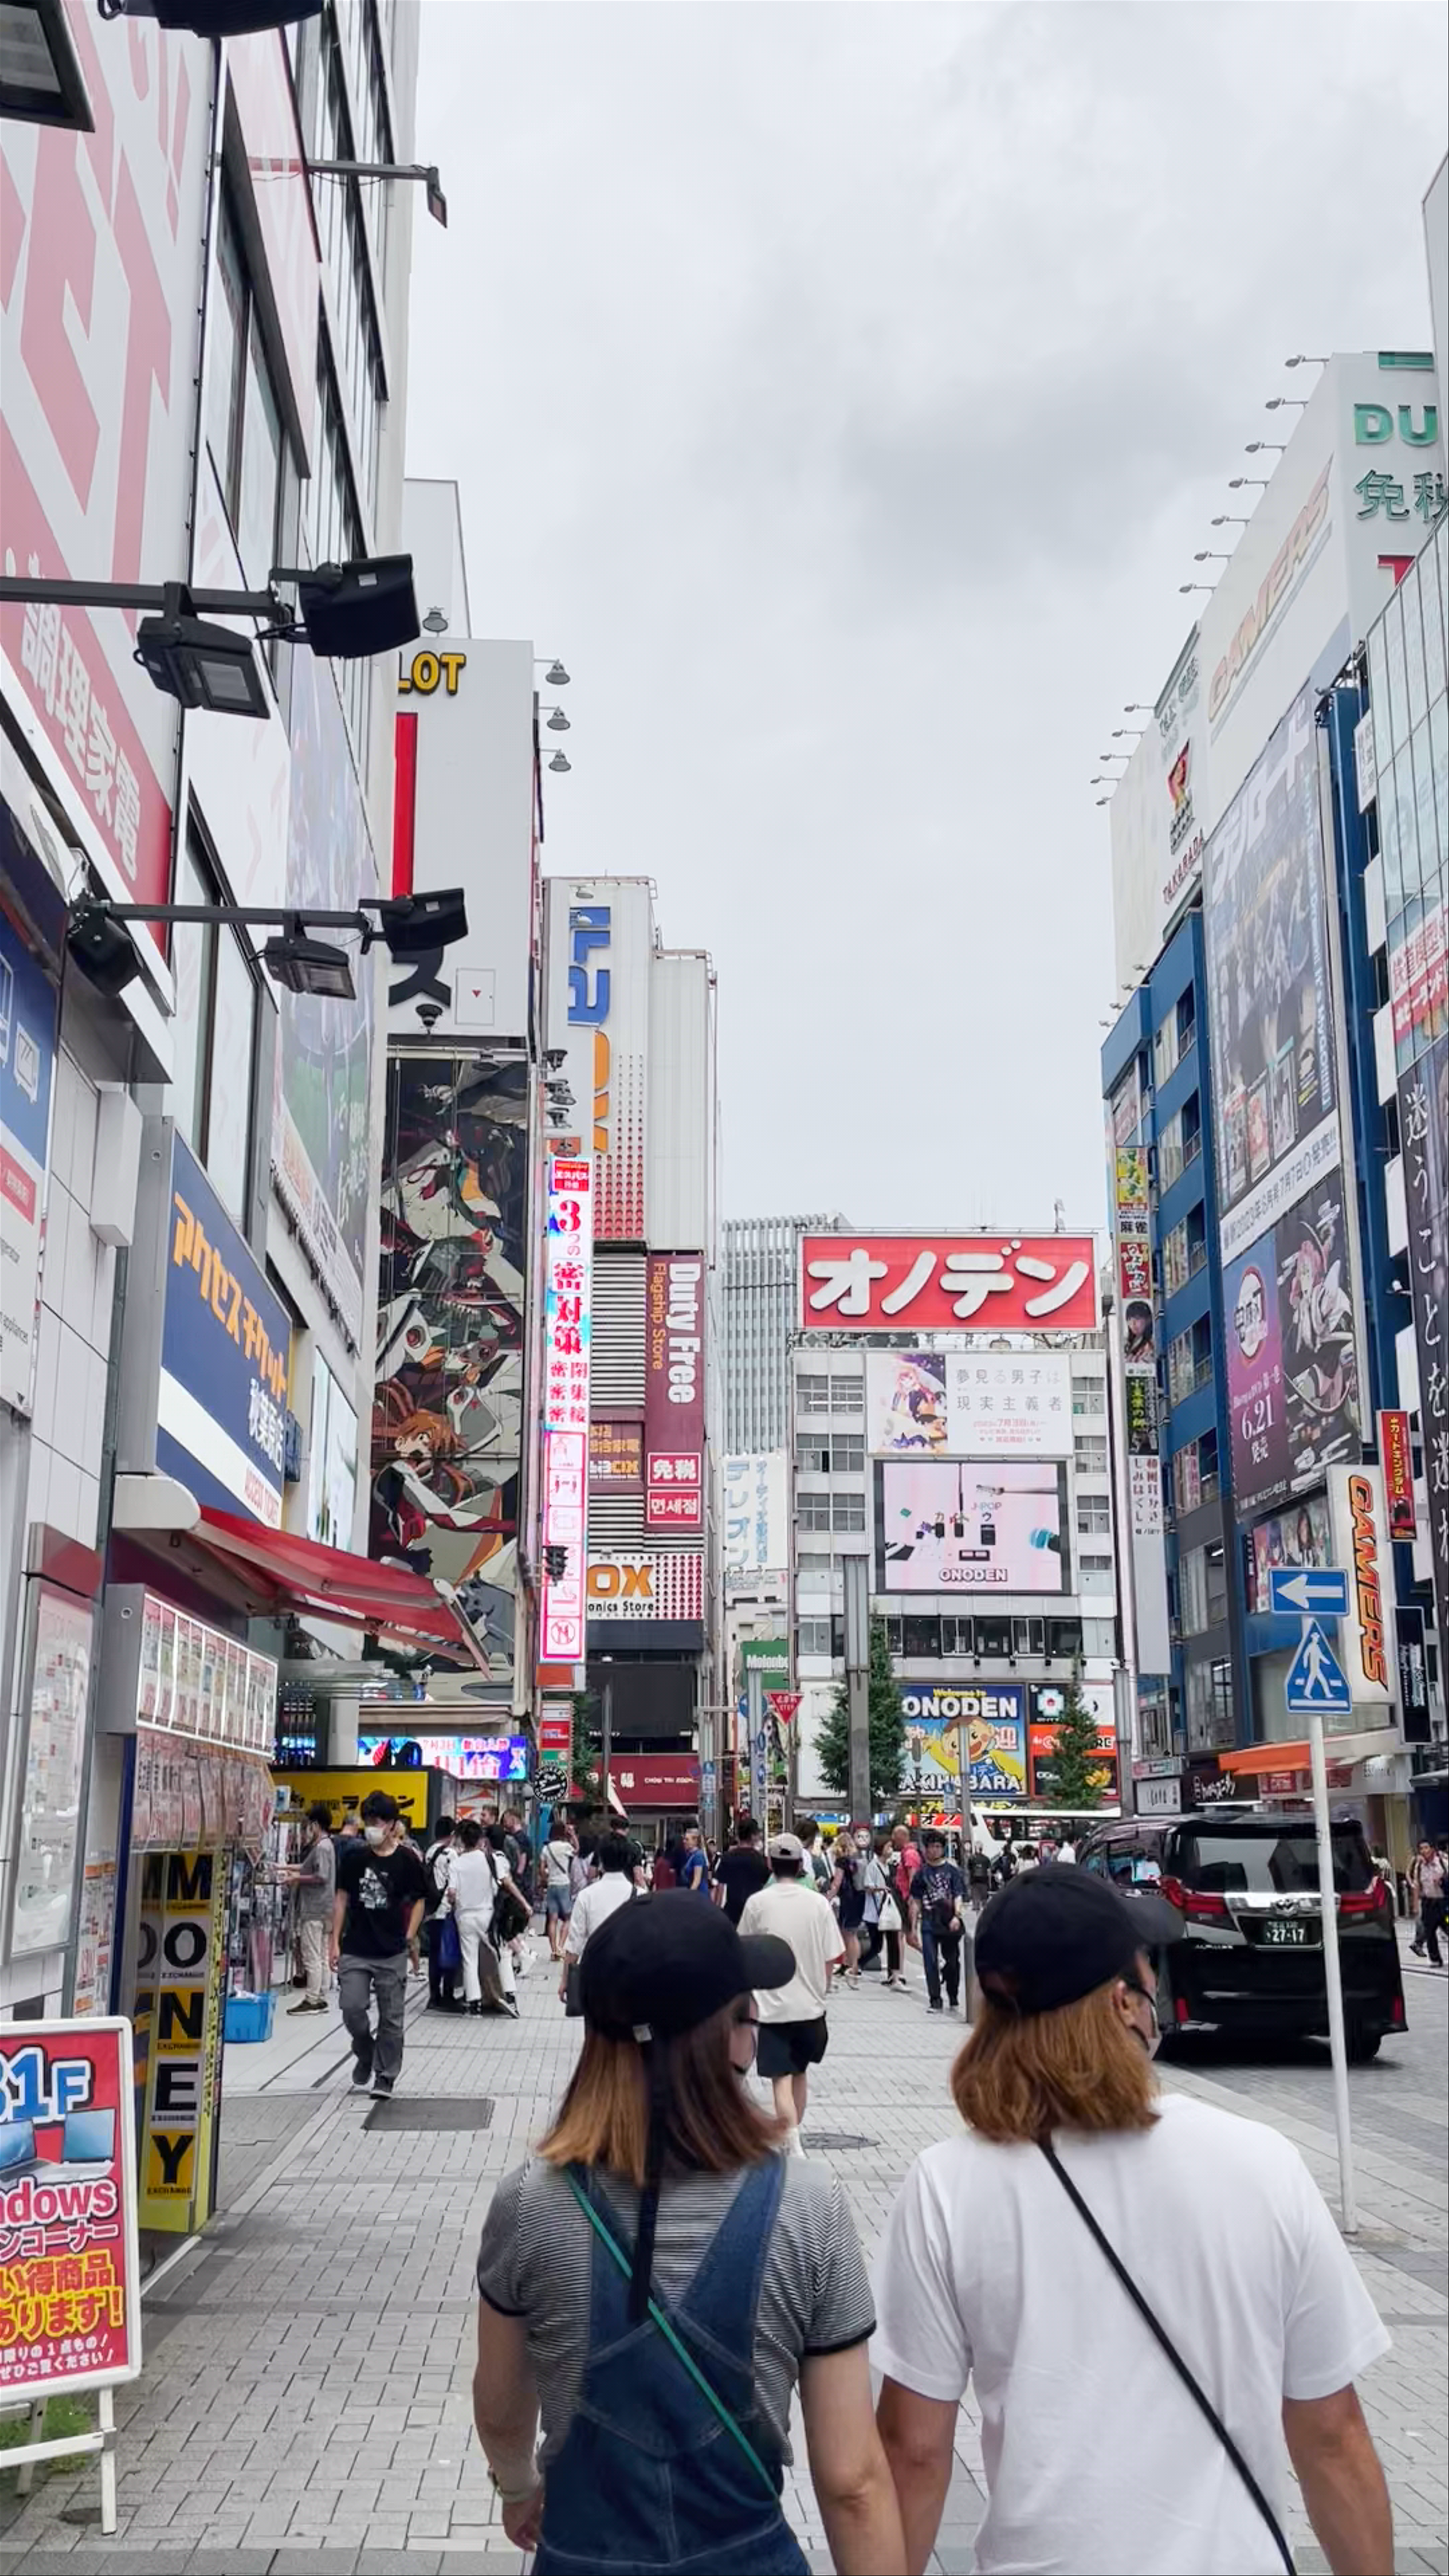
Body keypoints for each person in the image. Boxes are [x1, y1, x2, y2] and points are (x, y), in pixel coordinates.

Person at [872, 1867, 1393, 2576]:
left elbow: (914, 2447)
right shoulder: (1259, 2163)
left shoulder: (948, 2185)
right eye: (1150, 1967)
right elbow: (1330, 2435)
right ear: (1123, 2002)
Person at [472, 1894, 906, 2576]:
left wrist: (520, 2488)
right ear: (730, 2035)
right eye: (746, 2006)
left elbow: (500, 2407)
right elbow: (854, 2480)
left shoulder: (530, 2203)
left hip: (583, 2556)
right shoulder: (807, 2205)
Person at [739, 1833, 845, 2152]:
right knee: (800, 2072)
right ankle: (792, 2136)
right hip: (812, 2006)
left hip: (772, 2006)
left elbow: (743, 1948)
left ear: (770, 1864)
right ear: (801, 1865)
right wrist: (823, 1992)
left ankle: (792, 2140)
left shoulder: (758, 1902)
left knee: (780, 2079)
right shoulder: (818, 1904)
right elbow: (832, 1956)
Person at [332, 1790, 429, 2100]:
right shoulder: (354, 1858)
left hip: (391, 1950)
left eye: (380, 1821)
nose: (373, 1826)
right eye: (369, 1820)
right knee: (352, 2007)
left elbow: (420, 1900)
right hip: (356, 1948)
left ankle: (385, 2076)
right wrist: (333, 1942)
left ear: (393, 1825)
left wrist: (410, 1935)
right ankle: (364, 2050)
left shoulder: (407, 1860)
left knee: (392, 2017)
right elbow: (342, 1898)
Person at [560, 1831, 637, 2001]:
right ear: (627, 1861)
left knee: (596, 2025)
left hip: (595, 1974)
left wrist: (566, 1980)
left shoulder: (587, 1896)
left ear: (601, 1860)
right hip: (630, 1977)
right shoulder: (641, 1896)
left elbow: (575, 1944)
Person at [909, 1830, 967, 2014]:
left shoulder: (953, 1872)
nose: (934, 1850)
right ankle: (935, 1999)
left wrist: (957, 1916)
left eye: (938, 1847)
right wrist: (912, 1927)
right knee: (930, 1961)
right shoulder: (921, 1874)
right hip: (929, 1921)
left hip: (949, 1922)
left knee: (952, 1962)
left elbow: (958, 1894)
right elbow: (916, 1902)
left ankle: (953, 1995)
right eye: (931, 1847)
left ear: (943, 1849)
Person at [423, 1815, 460, 2012]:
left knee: (434, 1955)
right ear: (452, 1834)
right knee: (449, 1954)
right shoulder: (451, 1854)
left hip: (431, 1911)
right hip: (446, 1911)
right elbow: (454, 1885)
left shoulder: (429, 1852)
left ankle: (433, 1996)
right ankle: (448, 1995)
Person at [861, 1836, 907, 1988]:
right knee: (877, 1946)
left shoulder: (890, 1866)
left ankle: (895, 1977)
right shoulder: (873, 1866)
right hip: (875, 1913)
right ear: (881, 1848)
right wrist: (881, 1889)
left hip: (889, 1911)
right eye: (888, 1847)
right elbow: (867, 1887)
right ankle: (856, 1966)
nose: (891, 1850)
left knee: (894, 1942)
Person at [714, 1815, 772, 1924]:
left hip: (731, 1912)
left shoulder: (727, 1858)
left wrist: (717, 1911)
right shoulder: (760, 1860)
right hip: (754, 1911)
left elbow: (720, 1888)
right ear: (754, 1836)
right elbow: (766, 1885)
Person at [831, 1829, 867, 1986]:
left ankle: (853, 1967)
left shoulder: (842, 1861)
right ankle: (848, 1965)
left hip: (848, 1899)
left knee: (849, 1934)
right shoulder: (859, 1859)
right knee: (850, 1933)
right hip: (860, 1898)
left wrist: (828, 1897)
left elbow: (837, 1883)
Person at [541, 1822, 578, 1960]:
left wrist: (546, 1879)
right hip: (564, 1884)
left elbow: (542, 1868)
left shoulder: (547, 1849)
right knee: (568, 1918)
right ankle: (561, 1947)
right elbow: (577, 1850)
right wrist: (573, 1835)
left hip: (552, 1885)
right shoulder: (566, 1847)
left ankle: (554, 1950)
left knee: (553, 1919)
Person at [1408, 1838, 1446, 1965]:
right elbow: (1417, 1886)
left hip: (1444, 1904)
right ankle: (1435, 1959)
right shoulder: (1419, 1867)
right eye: (1421, 1849)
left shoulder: (1443, 1862)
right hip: (1428, 1904)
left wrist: (1442, 1881)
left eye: (1426, 1848)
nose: (1424, 1851)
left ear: (1432, 1849)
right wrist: (1415, 1906)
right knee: (1430, 1932)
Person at [680, 1822, 711, 1896]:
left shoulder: (698, 1856)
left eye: (687, 1840)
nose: (684, 1842)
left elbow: (697, 1880)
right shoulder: (691, 1856)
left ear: (695, 1841)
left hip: (700, 1895)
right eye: (684, 1839)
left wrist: (690, 1896)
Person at [966, 1845, 993, 1915]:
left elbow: (969, 1871)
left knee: (976, 1900)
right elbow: (989, 1872)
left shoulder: (972, 1859)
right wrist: (990, 1883)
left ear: (976, 1849)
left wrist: (969, 1883)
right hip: (984, 1881)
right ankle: (984, 1915)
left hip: (974, 1882)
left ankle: (977, 1915)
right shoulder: (986, 1859)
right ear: (982, 1849)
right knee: (984, 1900)